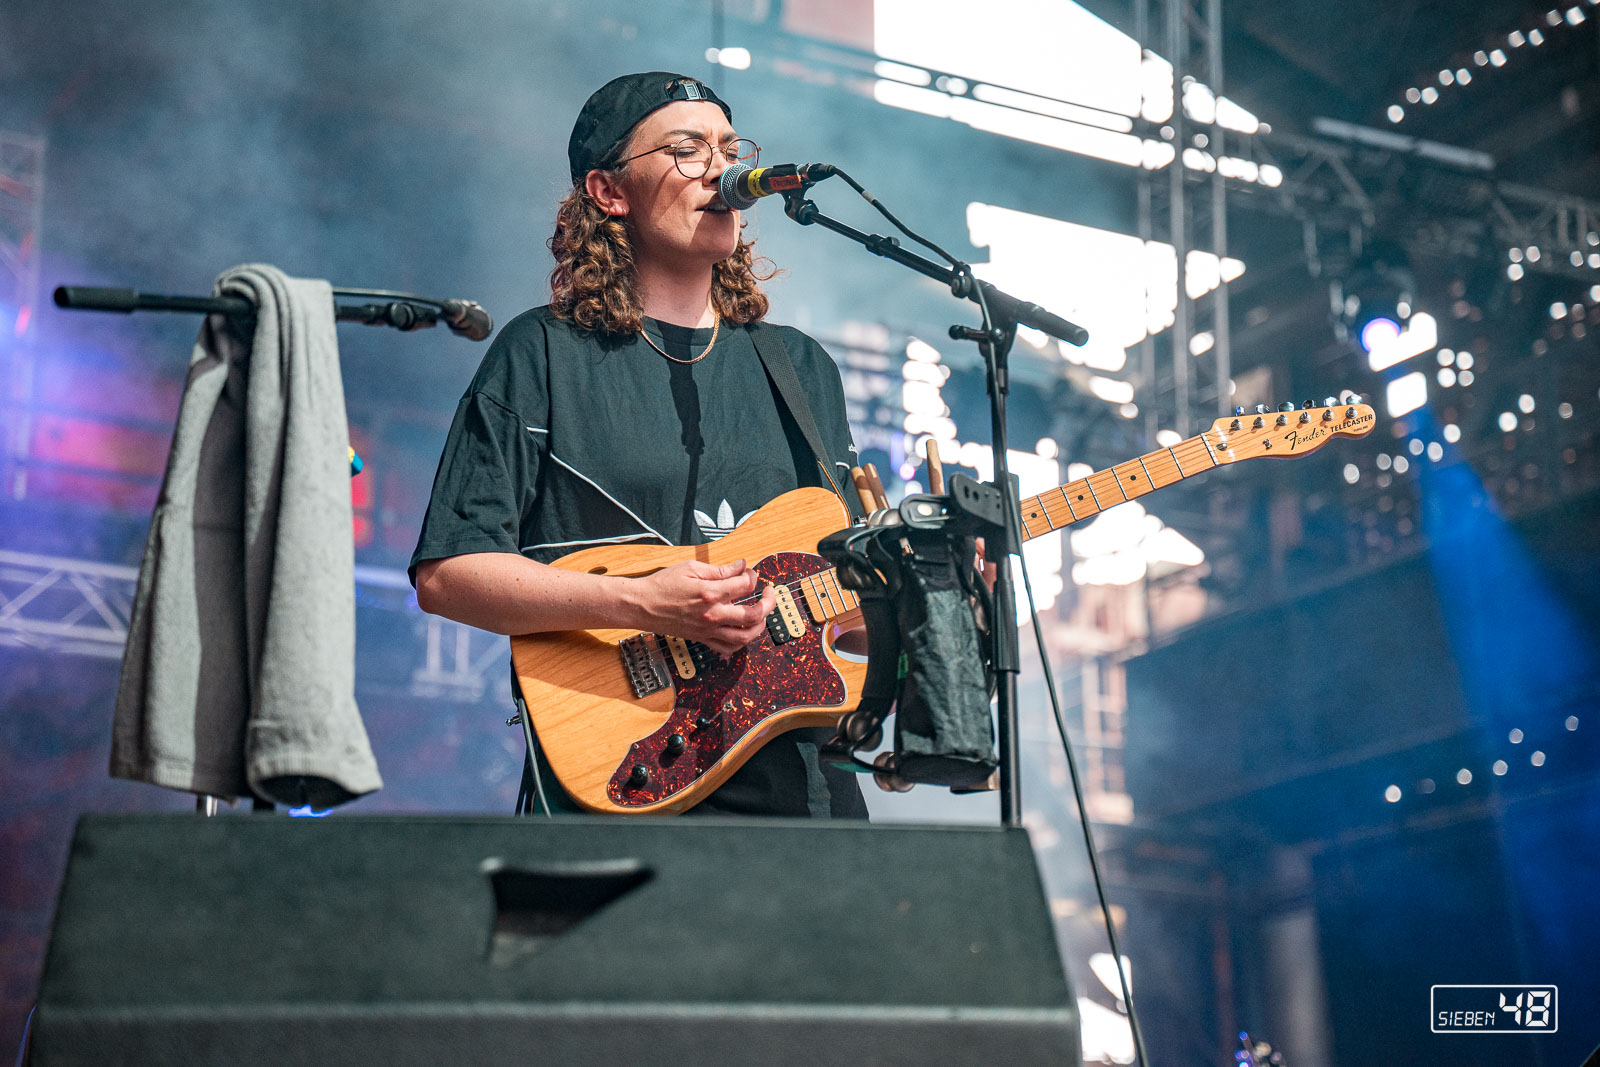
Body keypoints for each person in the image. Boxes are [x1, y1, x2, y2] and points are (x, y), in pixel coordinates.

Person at [410, 71, 869, 818]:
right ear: (608, 190)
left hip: (806, 798)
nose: (721, 170)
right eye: (687, 150)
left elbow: (843, 606)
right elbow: (448, 573)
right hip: (630, 776)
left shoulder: (801, 367)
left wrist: (930, 590)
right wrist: (638, 602)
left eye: (729, 147)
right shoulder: (541, 352)